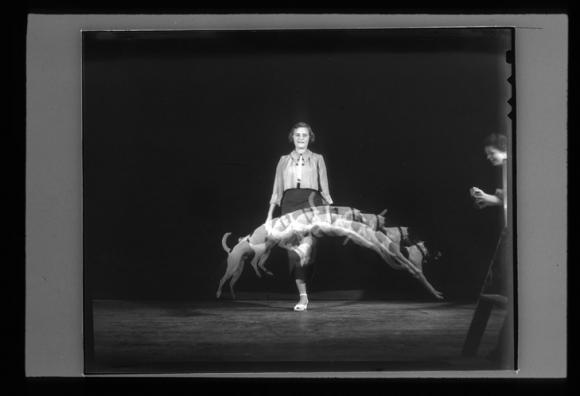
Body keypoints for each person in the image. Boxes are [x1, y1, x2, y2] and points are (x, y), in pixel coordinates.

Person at [266, 122, 333, 311]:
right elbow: (276, 190)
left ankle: (306, 272)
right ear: (292, 137)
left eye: (304, 135)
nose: (301, 138)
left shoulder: (318, 158)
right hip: (289, 202)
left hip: (311, 201)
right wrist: (270, 215)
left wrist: (329, 208)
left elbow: (324, 188)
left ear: (309, 137)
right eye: (297, 135)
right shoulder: (283, 160)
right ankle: (303, 297)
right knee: (294, 252)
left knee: (308, 249)